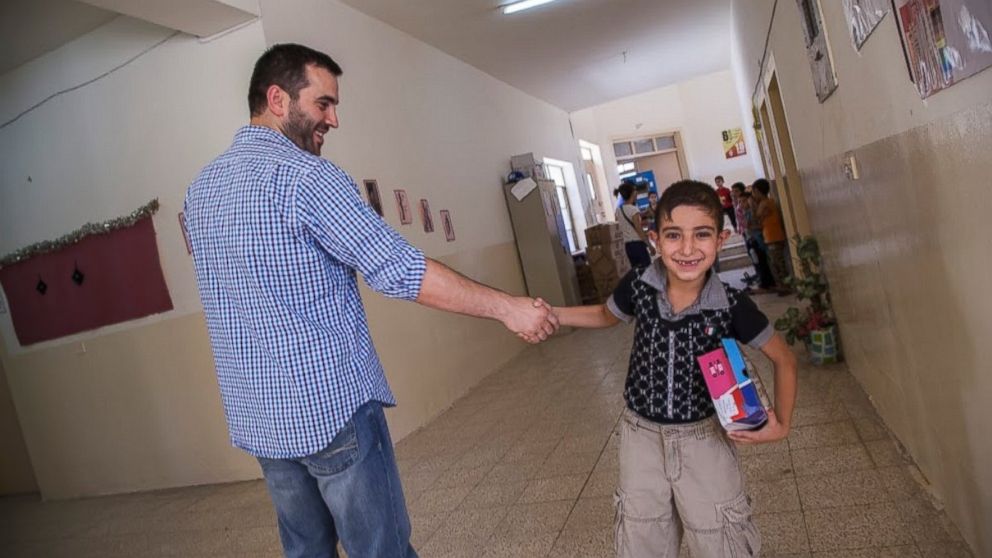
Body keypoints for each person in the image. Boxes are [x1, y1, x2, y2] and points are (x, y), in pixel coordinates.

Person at [183, 44, 558, 558]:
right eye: (323, 104)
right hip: (329, 410)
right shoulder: (307, 178)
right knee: (380, 550)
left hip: (260, 415)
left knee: (306, 551)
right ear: (277, 98)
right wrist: (508, 307)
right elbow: (401, 270)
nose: (334, 119)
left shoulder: (201, 191)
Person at [552, 180, 797, 558]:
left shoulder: (731, 304)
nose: (686, 249)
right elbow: (604, 314)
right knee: (641, 535)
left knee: (720, 535)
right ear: (654, 239)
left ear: (721, 238)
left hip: (705, 439)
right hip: (640, 438)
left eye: (701, 234)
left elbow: (783, 357)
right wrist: (550, 315)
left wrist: (781, 423)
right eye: (673, 235)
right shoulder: (639, 285)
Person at [735, 182, 775, 292]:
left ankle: (766, 284)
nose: (741, 204)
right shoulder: (746, 211)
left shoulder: (753, 210)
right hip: (753, 239)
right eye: (740, 202)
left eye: (744, 201)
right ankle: (764, 281)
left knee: (762, 262)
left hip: (758, 240)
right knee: (758, 261)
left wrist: (751, 207)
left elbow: (753, 223)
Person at [753, 178, 790, 294]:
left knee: (778, 264)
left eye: (754, 192)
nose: (753, 195)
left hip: (774, 237)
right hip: (770, 237)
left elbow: (757, 219)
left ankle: (785, 286)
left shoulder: (766, 203)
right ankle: (781, 285)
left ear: (758, 191)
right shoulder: (767, 202)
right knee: (774, 264)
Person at [615, 181, 653, 267]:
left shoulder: (618, 210)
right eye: (635, 190)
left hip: (628, 246)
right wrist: (649, 245)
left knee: (637, 271)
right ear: (633, 193)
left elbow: (623, 225)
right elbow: (639, 229)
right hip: (638, 245)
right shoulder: (633, 209)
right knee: (647, 271)